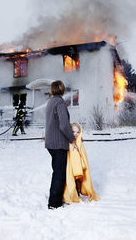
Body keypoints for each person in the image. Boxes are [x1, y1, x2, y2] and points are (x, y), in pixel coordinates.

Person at [45, 80, 76, 209]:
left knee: (57, 171)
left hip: (51, 143)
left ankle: (56, 199)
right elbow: (63, 125)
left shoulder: (51, 102)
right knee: (59, 173)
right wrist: (72, 138)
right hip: (58, 144)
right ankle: (54, 203)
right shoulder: (60, 103)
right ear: (62, 90)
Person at [63, 122, 100, 203]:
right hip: (72, 167)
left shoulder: (79, 142)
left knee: (79, 181)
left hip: (79, 167)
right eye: (73, 132)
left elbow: (82, 154)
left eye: (77, 132)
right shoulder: (69, 143)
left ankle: (79, 191)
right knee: (71, 180)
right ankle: (72, 194)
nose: (75, 134)